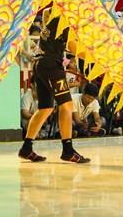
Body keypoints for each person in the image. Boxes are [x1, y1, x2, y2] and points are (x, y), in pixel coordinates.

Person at [18, 9, 90, 163]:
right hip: (51, 66)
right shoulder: (63, 21)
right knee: (67, 105)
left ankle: (26, 147)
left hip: (41, 64)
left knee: (45, 108)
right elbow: (76, 49)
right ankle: (68, 150)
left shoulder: (51, 14)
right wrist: (97, 57)